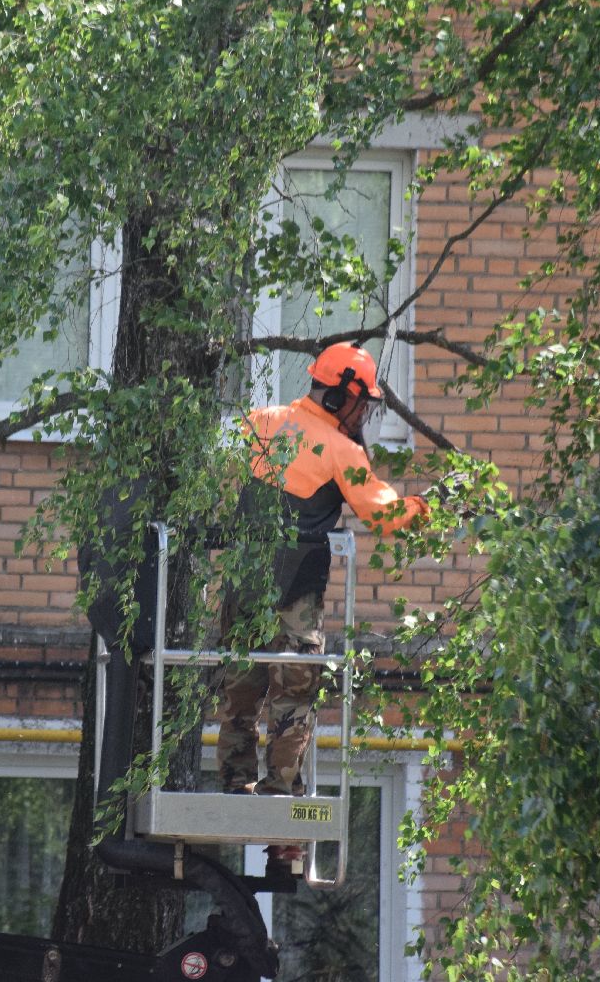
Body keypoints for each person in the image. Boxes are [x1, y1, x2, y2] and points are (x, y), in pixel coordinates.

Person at [216, 342, 429, 872]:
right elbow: (381, 516)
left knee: (241, 688)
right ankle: (278, 794)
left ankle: (234, 783)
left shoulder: (259, 421)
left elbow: (217, 472)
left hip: (242, 586)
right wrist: (424, 508)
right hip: (297, 597)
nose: (365, 417)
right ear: (340, 396)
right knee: (293, 693)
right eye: (363, 406)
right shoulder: (342, 451)